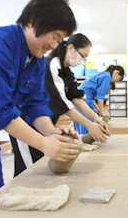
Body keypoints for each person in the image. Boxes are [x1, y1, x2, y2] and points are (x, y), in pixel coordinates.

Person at [0, 0, 79, 216]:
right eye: (53, 36)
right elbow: (0, 112)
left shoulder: (36, 61)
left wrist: (51, 131)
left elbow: (36, 104)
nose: (53, 45)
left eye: (59, 41)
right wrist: (44, 144)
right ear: (32, 22)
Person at [10, 33, 110, 177]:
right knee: (28, 171)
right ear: (70, 48)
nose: (82, 61)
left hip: (43, 124)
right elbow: (63, 104)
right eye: (82, 56)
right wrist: (89, 125)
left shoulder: (67, 72)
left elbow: (76, 98)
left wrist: (96, 119)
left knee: (40, 162)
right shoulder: (50, 65)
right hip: (25, 123)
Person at [74, 65, 125, 134]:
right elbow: (100, 97)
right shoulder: (107, 77)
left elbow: (92, 99)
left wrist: (98, 109)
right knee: (87, 124)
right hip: (84, 99)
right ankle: (84, 142)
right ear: (116, 72)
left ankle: (81, 143)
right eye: (118, 79)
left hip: (79, 99)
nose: (115, 81)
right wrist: (102, 112)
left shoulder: (102, 74)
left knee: (80, 122)